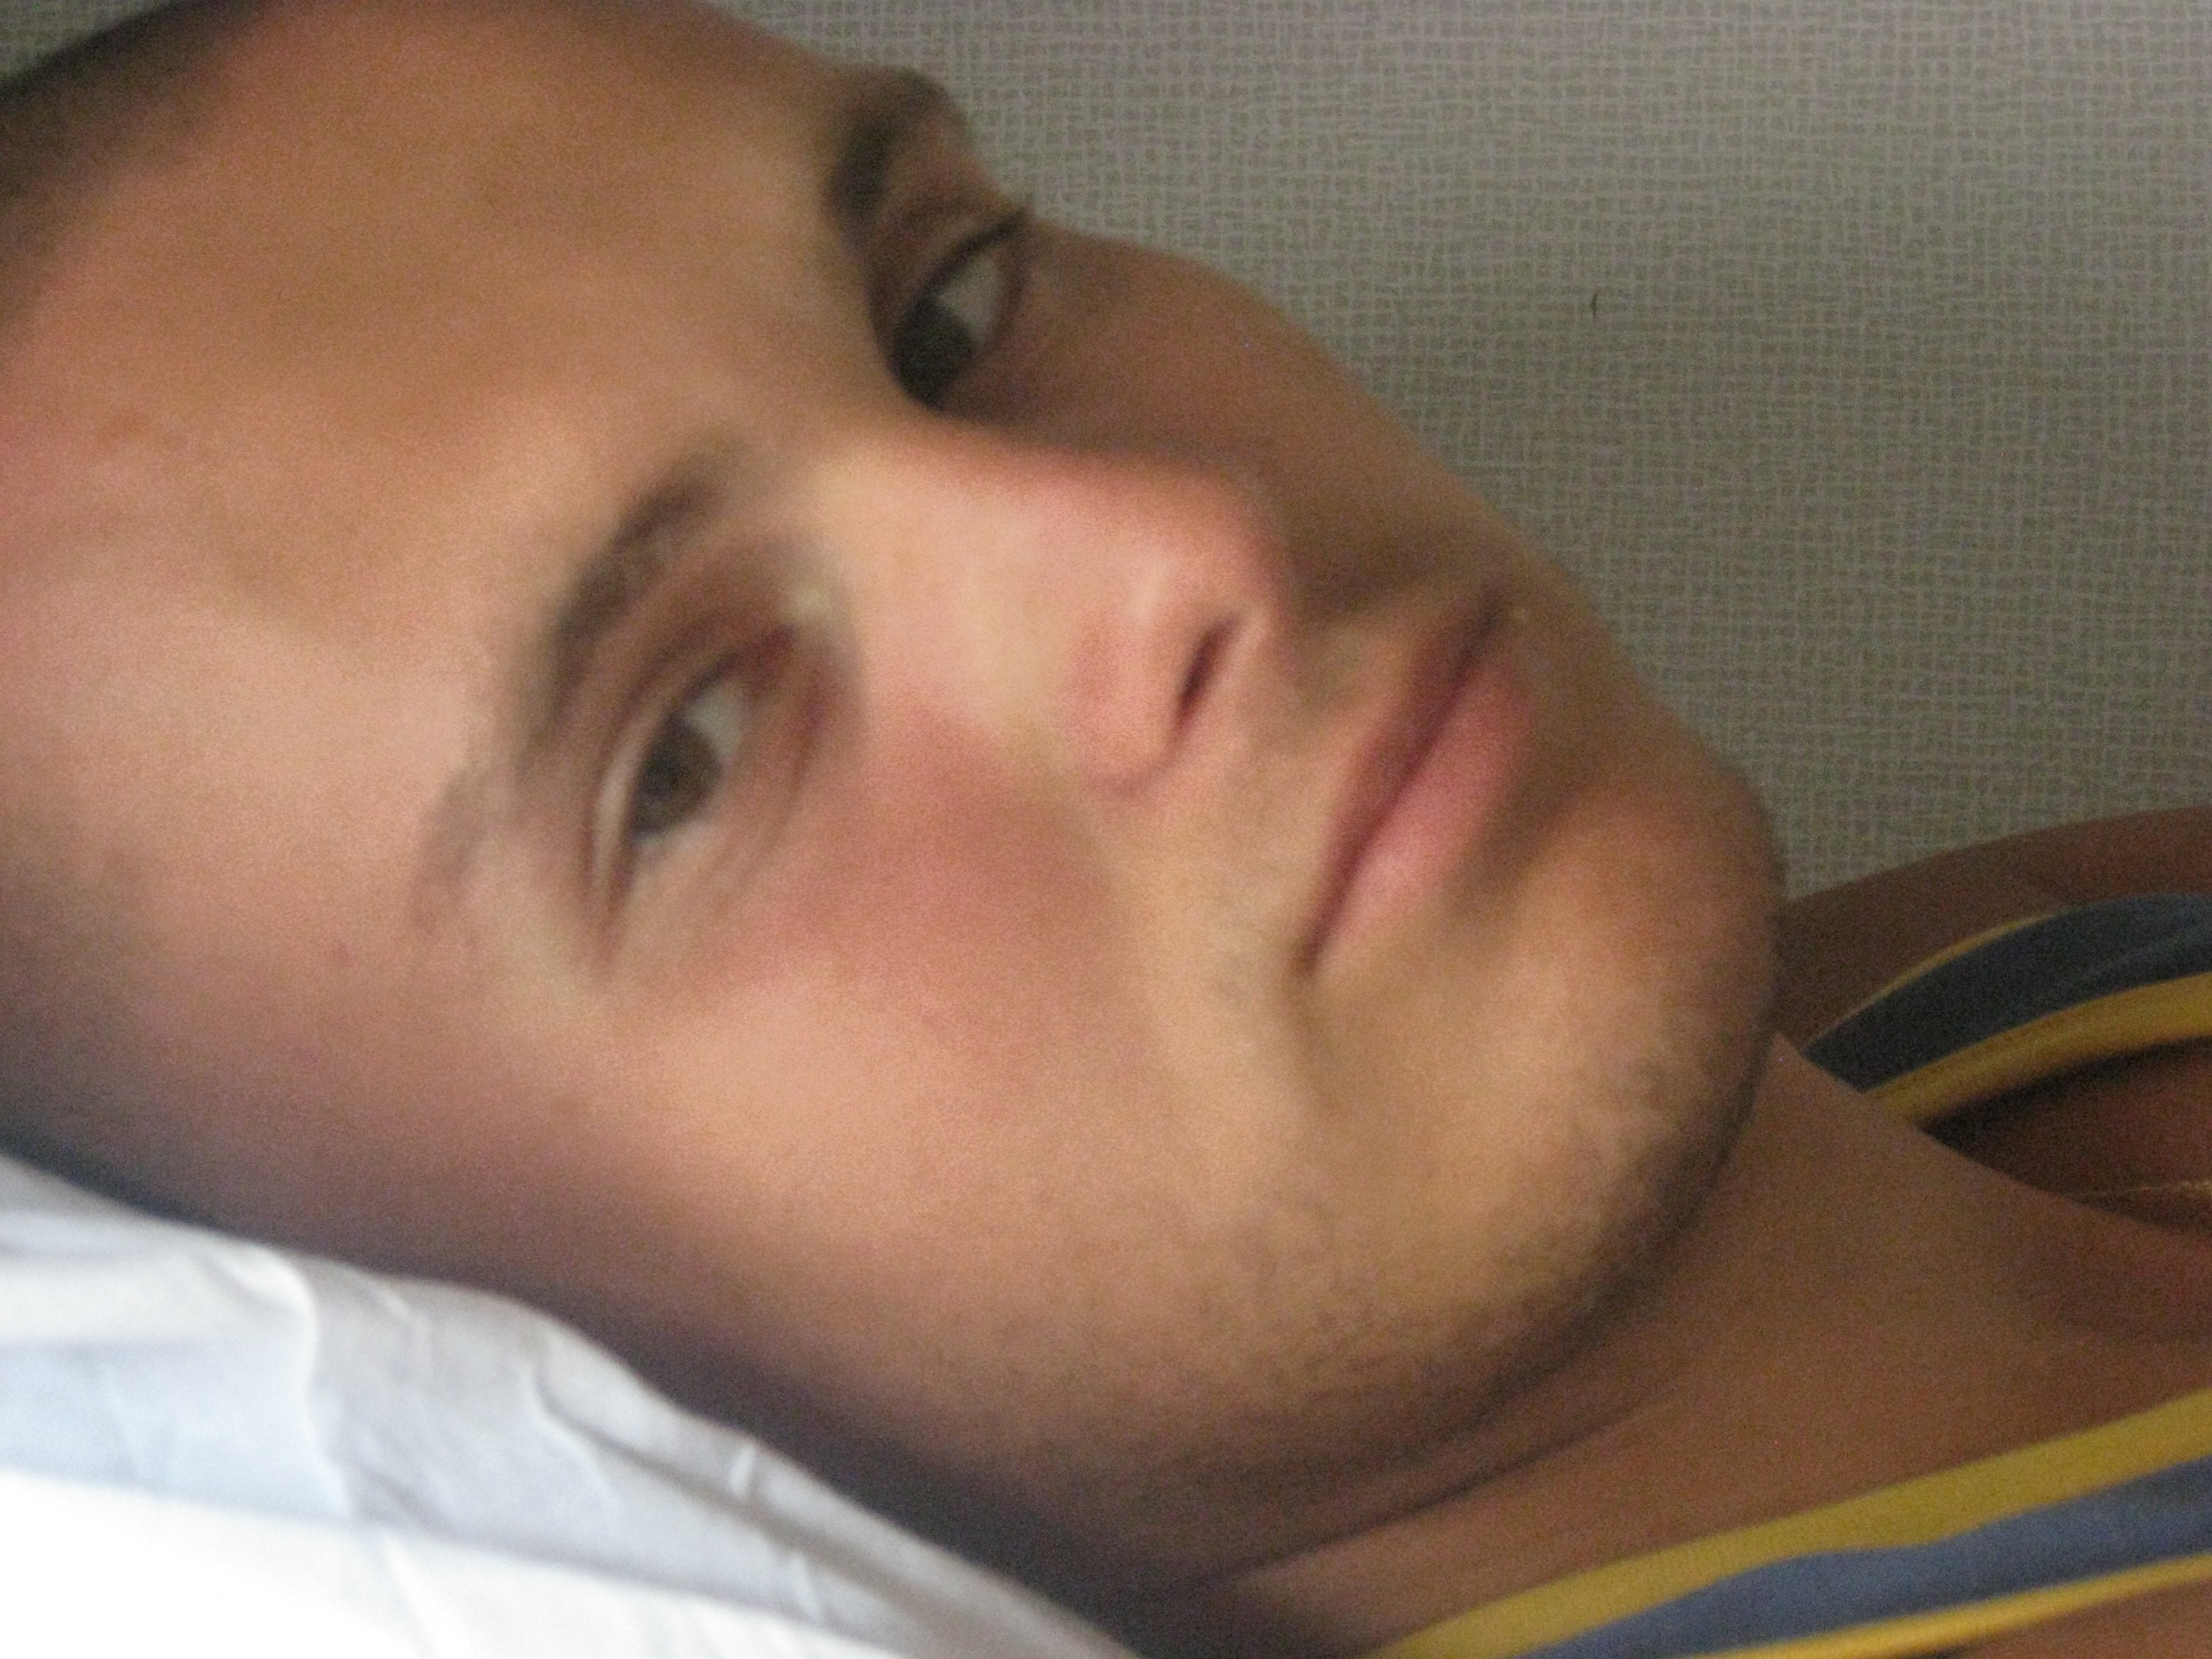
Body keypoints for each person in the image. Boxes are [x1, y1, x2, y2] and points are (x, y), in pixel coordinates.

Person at [0, 1, 2205, 1654]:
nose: (1181, 535)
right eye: (688, 753)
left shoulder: (1940, 1024)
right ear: (440, 1331)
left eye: (940, 313)